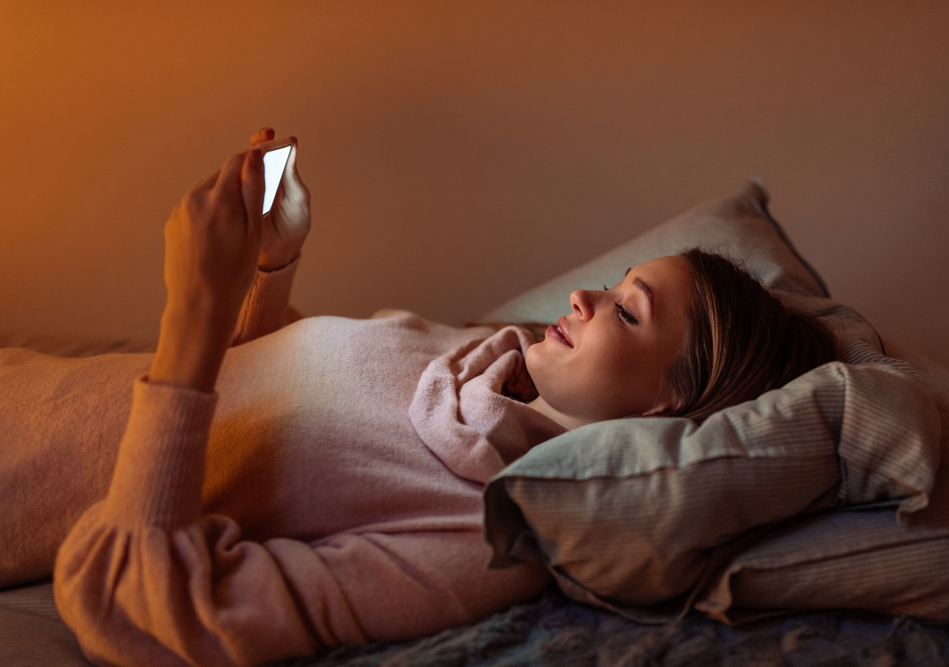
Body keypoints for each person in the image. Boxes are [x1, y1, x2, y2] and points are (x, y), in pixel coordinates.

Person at [0, 129, 835, 667]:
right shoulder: (480, 356)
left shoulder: (480, 537)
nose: (584, 297)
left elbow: (140, 610)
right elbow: (261, 388)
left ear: (670, 405)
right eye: (612, 283)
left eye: (626, 309)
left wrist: (191, 314)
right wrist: (266, 269)